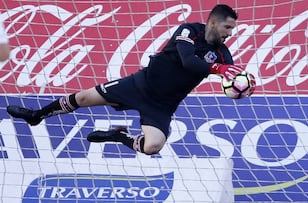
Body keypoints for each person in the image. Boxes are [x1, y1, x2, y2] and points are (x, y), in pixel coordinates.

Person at [7, 4, 254, 155]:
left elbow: (230, 84)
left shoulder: (224, 55)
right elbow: (188, 60)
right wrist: (218, 69)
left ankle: (118, 135)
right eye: (228, 28)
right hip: (139, 84)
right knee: (82, 97)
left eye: (232, 29)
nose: (230, 34)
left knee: (152, 147)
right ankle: (35, 116)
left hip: (162, 105)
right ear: (213, 22)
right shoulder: (190, 30)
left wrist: (242, 85)